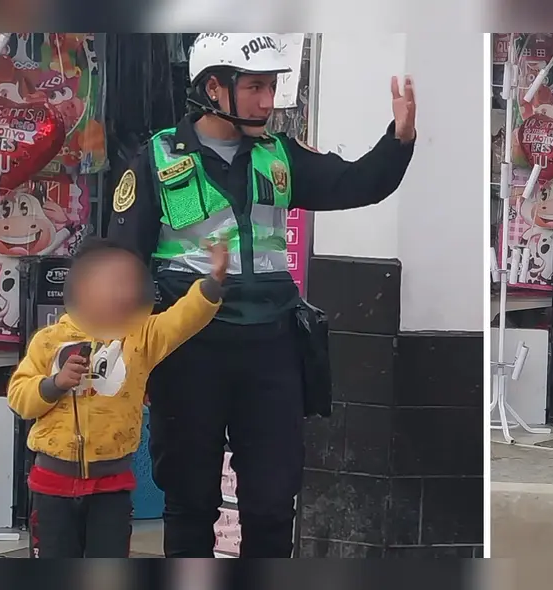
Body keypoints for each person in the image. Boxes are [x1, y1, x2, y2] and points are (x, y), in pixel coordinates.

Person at [106, 33, 416, 558]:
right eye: (254, 87)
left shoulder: (281, 155)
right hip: (189, 351)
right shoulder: (154, 158)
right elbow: (122, 263)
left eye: (272, 87)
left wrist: (398, 141)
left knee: (272, 504)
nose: (267, 101)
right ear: (212, 88)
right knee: (190, 502)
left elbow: (355, 184)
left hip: (271, 348)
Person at [7, 237, 227, 558]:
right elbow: (20, 397)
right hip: (52, 484)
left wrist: (213, 281)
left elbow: (182, 319)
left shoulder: (140, 336)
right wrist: (55, 383)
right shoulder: (49, 339)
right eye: (111, 282)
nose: (123, 292)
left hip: (112, 486)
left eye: (128, 282)